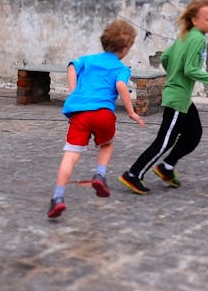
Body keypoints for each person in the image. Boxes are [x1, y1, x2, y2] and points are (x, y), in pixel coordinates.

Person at [119, 0, 208, 194]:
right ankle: (134, 174)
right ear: (194, 20)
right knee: (165, 141)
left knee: (194, 134)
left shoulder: (186, 34)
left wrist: (173, 75)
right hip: (178, 98)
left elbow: (166, 57)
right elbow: (190, 70)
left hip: (181, 96)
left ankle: (167, 167)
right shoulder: (197, 38)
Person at [48, 19, 145, 219]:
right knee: (106, 145)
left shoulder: (88, 59)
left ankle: (58, 197)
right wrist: (132, 112)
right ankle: (99, 174)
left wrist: (74, 93)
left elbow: (72, 67)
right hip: (103, 114)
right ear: (126, 48)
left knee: (71, 155)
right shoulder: (121, 68)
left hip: (80, 114)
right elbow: (120, 87)